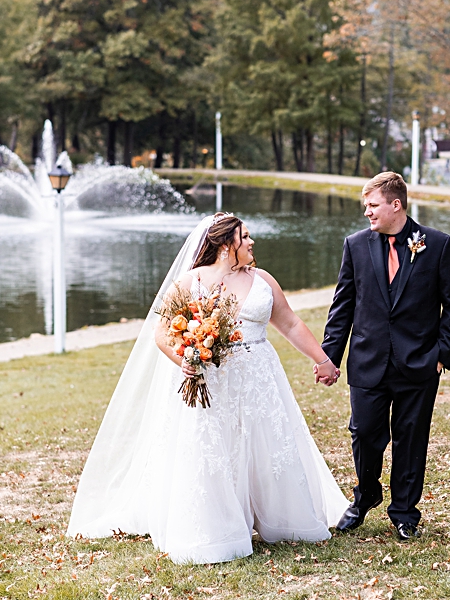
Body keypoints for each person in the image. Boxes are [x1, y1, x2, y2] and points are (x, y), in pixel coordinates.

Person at [68, 212, 349, 562]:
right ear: (224, 244)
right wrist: (184, 359)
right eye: (244, 237)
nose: (251, 243)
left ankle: (280, 518)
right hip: (211, 379)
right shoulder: (190, 282)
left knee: (267, 444)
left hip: (260, 377)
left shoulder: (262, 280)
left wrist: (323, 360)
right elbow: (161, 332)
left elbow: (289, 322)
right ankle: (217, 526)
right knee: (215, 447)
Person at [320, 171, 450, 540]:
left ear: (395, 205)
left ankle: (404, 512)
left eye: (372, 205)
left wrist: (442, 354)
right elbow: (343, 306)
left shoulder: (438, 244)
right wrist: (330, 357)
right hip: (368, 361)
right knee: (364, 433)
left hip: (419, 363)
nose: (367, 213)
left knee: (411, 437)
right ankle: (366, 493)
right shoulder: (354, 245)